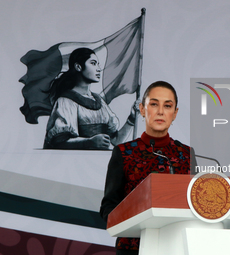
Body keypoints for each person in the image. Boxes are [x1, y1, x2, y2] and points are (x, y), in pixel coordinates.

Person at [100, 81, 195, 254]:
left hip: (177, 247)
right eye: (154, 104)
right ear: (142, 110)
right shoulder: (124, 153)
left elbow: (195, 205)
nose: (160, 111)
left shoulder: (187, 154)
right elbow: (108, 209)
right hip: (133, 248)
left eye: (167, 106)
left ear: (175, 113)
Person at [43, 47, 138, 149]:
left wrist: (131, 119)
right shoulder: (66, 101)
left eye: (98, 64)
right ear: (78, 67)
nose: (98, 68)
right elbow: (59, 143)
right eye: (93, 63)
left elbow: (115, 141)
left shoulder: (99, 101)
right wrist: (88, 142)